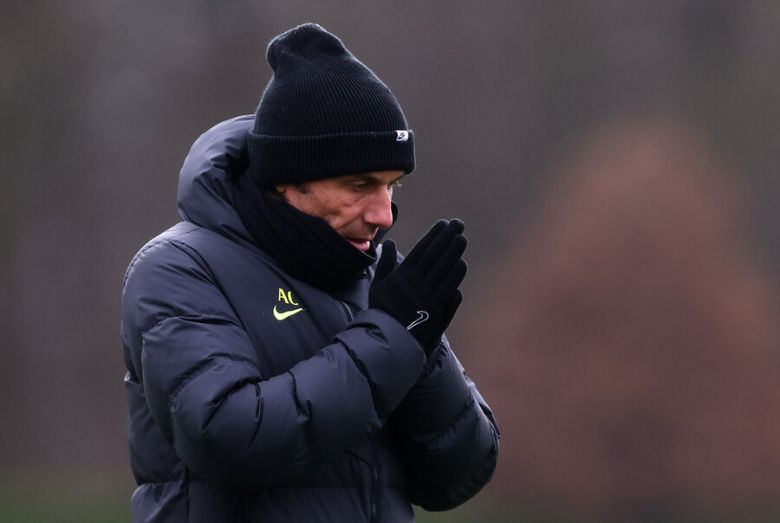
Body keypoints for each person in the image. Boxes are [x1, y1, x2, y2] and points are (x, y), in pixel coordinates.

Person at [121, 23, 499, 523]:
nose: (383, 214)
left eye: (392, 186)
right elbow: (228, 438)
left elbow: (459, 473)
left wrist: (418, 341)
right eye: (359, 184)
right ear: (286, 179)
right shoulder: (178, 268)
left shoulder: (371, 272)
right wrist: (391, 337)